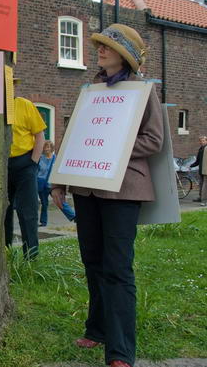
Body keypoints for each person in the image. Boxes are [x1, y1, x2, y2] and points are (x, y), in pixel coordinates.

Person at [51, 24, 163, 367]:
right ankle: (97, 329)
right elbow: (76, 136)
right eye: (98, 45)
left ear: (124, 54)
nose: (99, 50)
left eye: (107, 46)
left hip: (123, 190)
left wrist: (115, 145)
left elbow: (154, 140)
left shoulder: (143, 90)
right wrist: (59, 181)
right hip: (87, 187)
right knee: (93, 262)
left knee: (117, 268)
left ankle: (120, 351)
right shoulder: (91, 89)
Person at [5, 91, 47, 259]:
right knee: (3, 212)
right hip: (1, 165)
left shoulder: (24, 104)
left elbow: (40, 135)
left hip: (25, 164)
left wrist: (33, 162)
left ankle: (31, 257)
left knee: (27, 211)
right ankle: (5, 254)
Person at [37, 140, 75, 226]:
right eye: (46, 147)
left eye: (49, 147)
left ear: (52, 149)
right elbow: (37, 171)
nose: (47, 149)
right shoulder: (40, 158)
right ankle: (43, 222)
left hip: (52, 185)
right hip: (42, 184)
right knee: (44, 204)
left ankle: (73, 216)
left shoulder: (56, 159)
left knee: (59, 201)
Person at [189, 135, 207, 205]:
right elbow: (198, 161)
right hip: (201, 170)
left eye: (203, 140)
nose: (202, 142)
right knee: (201, 184)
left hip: (206, 171)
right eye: (200, 141)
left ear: (206, 141)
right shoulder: (201, 149)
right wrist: (191, 165)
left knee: (205, 186)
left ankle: (204, 201)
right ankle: (201, 197)